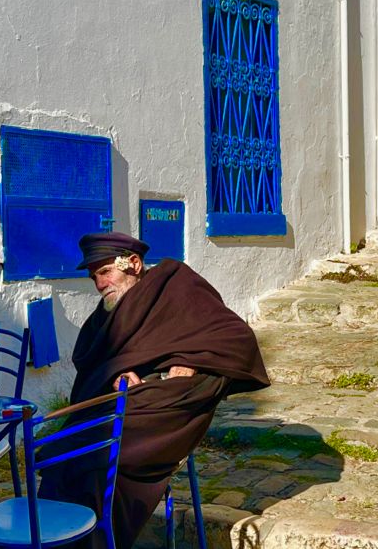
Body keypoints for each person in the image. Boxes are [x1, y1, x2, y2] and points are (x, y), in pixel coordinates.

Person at [38, 231, 270, 549]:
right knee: (64, 457)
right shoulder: (106, 315)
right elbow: (93, 362)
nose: (100, 284)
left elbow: (235, 337)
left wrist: (191, 361)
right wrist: (117, 375)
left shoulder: (176, 285)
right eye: (94, 277)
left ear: (133, 263)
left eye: (105, 272)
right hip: (123, 406)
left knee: (97, 461)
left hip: (169, 413)